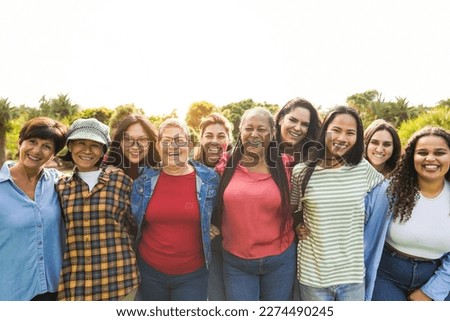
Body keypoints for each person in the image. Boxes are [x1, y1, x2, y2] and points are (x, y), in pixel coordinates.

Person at [290, 105, 384, 301]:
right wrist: (297, 223)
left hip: (352, 276)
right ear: (325, 130)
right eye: (336, 130)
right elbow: (292, 209)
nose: (342, 138)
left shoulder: (363, 169)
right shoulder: (302, 172)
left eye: (350, 133)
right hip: (313, 276)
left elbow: (389, 194)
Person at [131, 118, 220, 301]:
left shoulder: (209, 179)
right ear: (157, 146)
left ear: (189, 144)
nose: (173, 146)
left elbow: (222, 211)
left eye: (180, 141)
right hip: (149, 272)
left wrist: (216, 225)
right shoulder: (143, 180)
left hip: (193, 276)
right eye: (166, 141)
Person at [214, 107, 295, 301]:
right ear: (240, 132)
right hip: (236, 262)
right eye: (248, 128)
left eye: (262, 129)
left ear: (272, 134)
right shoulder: (225, 165)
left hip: (280, 260)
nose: (254, 134)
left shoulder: (286, 166)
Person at [56, 118, 139, 300]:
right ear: (70, 146)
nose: (87, 150)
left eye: (95, 145)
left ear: (103, 150)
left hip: (120, 285)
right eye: (81, 143)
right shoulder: (59, 187)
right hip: (75, 287)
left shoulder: (121, 181)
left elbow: (135, 226)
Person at [372, 126, 450, 301]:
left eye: (440, 152)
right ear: (411, 157)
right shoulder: (389, 190)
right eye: (422, 152)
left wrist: (431, 292)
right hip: (386, 277)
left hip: (439, 276)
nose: (430, 158)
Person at [0, 117, 67, 300]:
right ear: (20, 142)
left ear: (53, 155)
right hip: (11, 293)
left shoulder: (58, 183)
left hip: (53, 291)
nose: (36, 150)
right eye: (32, 141)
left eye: (46, 146)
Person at [194, 112, 233, 301]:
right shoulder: (190, 168)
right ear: (200, 139)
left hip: (233, 247)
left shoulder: (239, 167)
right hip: (198, 248)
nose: (214, 141)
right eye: (209, 136)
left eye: (221, 136)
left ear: (229, 139)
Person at [105, 114, 160, 180]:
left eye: (142, 139)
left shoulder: (161, 172)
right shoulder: (106, 171)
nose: (135, 147)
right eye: (128, 139)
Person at [275, 97, 321, 164]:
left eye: (304, 124)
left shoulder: (313, 158)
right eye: (293, 120)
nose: (297, 128)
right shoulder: (263, 149)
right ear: (281, 119)